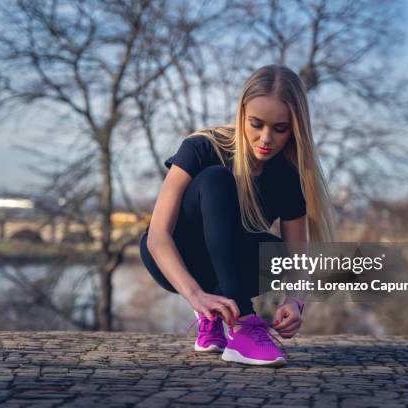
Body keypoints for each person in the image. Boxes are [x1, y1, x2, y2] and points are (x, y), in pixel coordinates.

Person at [139, 64, 336, 367]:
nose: (266, 138)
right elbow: (157, 236)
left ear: (295, 129)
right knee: (216, 178)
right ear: (241, 113)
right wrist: (194, 295)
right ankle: (242, 325)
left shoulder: (288, 176)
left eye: (280, 128)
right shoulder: (202, 147)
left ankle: (216, 317)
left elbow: (298, 260)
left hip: (228, 264)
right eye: (256, 124)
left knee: (280, 255)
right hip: (176, 256)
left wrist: (294, 302)